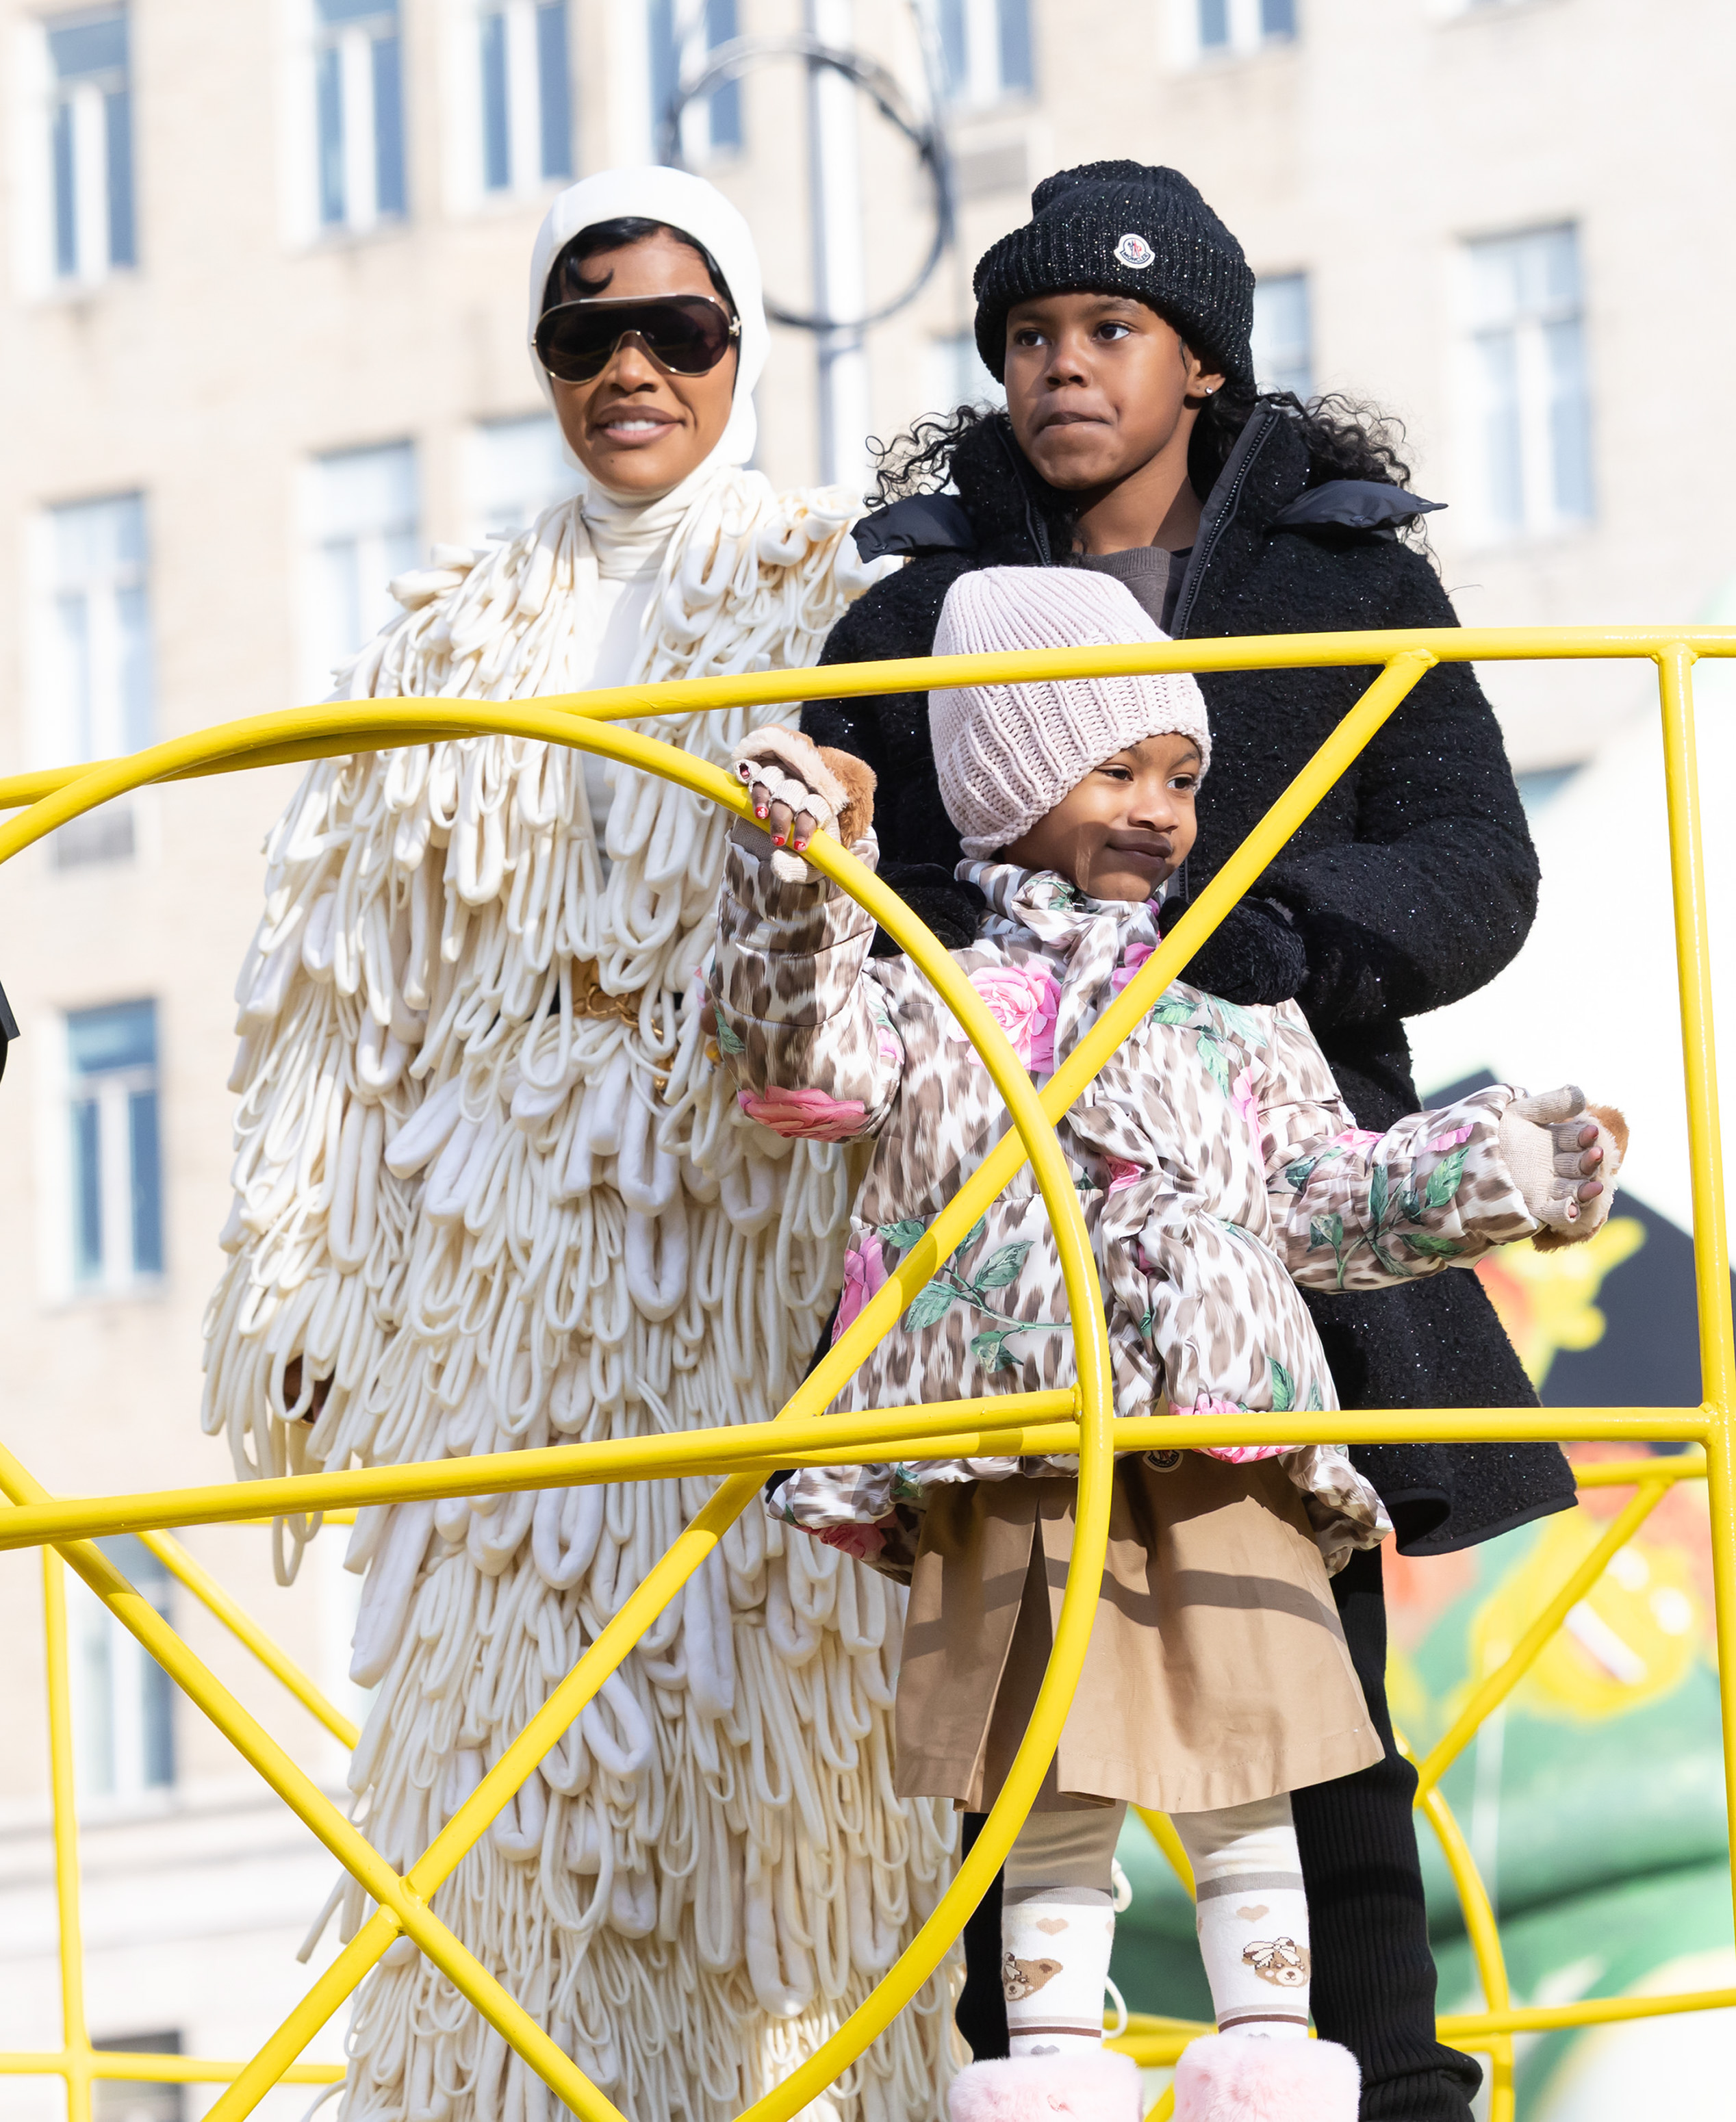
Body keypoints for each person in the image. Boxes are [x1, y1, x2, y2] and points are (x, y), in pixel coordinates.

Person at [803, 162, 1572, 2119]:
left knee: (1311, 1687)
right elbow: (856, 901)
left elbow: (1480, 863)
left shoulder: (1349, 580)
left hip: (1270, 1187)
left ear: (1201, 361)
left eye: (1110, 332)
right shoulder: (906, 613)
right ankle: (1030, 2073)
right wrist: (993, 950)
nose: (1065, 368)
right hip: (1008, 1235)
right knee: (1013, 1702)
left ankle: (1385, 2083)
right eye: (1030, 337)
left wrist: (1284, 933)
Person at [202, 168, 958, 2122]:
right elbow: (331, 985)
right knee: (502, 1726)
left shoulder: (841, 582)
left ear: (746, 348)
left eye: (678, 329)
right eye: (583, 330)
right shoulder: (450, 627)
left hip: (751, 1206)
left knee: (777, 1717)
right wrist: (295, 1267)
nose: (630, 365)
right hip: (497, 1235)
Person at [713, 565, 1622, 2122]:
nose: (1159, 810)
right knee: (1043, 1773)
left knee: (1250, 1752)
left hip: (1221, 1421)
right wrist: (801, 875)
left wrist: (1500, 1168)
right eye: (1113, 768)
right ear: (1008, 780)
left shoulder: (1228, 992)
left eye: (1183, 777)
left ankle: (1267, 2049)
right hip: (1017, 1433)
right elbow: (796, 1067)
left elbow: (1318, 1192)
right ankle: (1054, 2063)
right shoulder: (931, 989)